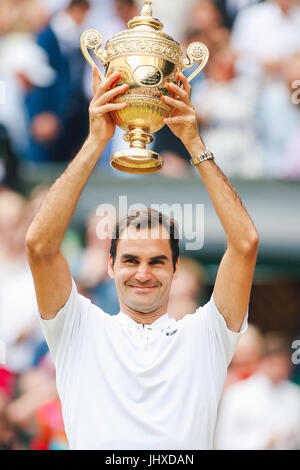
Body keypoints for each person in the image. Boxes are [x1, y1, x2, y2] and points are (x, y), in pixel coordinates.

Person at [25, 67, 259, 449]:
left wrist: (194, 143)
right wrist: (96, 140)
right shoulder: (78, 328)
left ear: (175, 270)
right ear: (110, 265)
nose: (143, 273)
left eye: (157, 261)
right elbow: (39, 245)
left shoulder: (207, 334)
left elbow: (245, 243)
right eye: (131, 260)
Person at [214, 333, 300, 449]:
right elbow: (223, 442)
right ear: (262, 361)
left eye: (283, 365)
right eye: (273, 364)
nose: (279, 370)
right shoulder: (236, 394)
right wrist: (264, 440)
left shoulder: (295, 394)